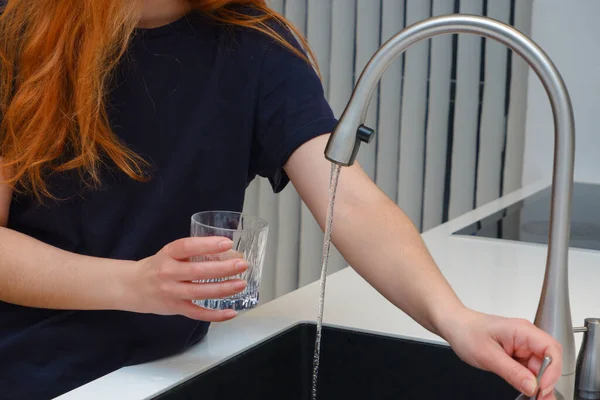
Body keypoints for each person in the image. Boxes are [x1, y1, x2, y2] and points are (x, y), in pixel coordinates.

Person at [0, 0, 561, 399]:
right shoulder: (20, 29)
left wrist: (455, 319)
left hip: (169, 367)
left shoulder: (254, 42)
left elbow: (351, 201)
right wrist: (137, 284)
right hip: (28, 371)